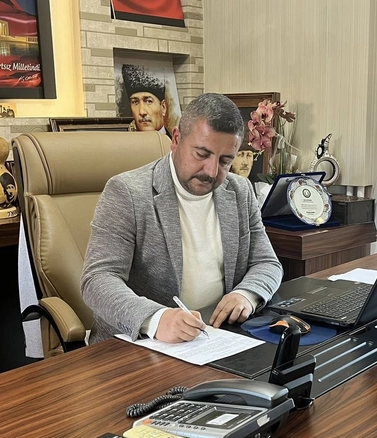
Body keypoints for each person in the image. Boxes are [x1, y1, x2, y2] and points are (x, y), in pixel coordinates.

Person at [81, 93, 283, 344]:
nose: (211, 171)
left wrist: (246, 294)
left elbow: (267, 262)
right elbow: (97, 279)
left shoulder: (239, 191)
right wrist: (156, 318)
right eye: (201, 154)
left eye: (225, 161)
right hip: (140, 343)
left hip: (216, 337)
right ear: (176, 139)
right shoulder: (127, 192)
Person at [121, 63, 169, 135]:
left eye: (149, 101)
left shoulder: (177, 141)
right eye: (135, 102)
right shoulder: (125, 141)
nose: (142, 112)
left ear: (163, 107)